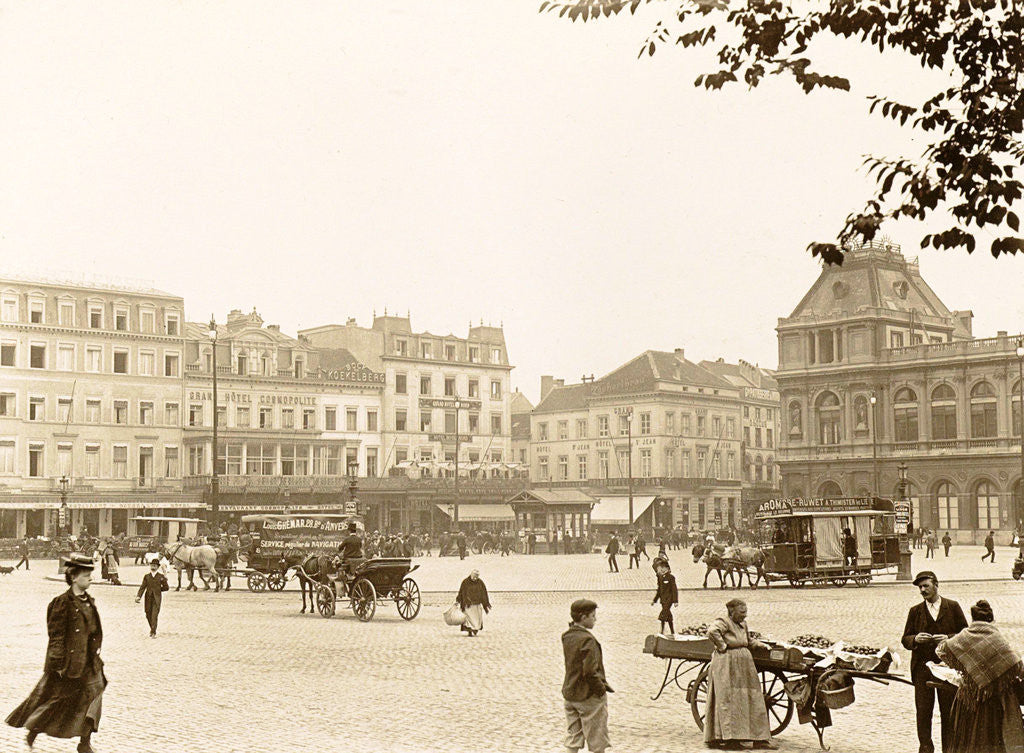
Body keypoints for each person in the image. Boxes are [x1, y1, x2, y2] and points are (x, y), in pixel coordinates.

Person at [6, 553, 106, 753]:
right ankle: (34, 727)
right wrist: (57, 664)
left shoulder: (88, 601)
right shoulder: (62, 603)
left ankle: (84, 743)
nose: (91, 579)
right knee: (57, 700)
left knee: (95, 694)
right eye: (86, 575)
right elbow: (56, 636)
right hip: (68, 664)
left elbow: (94, 630)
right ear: (74, 577)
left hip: (89, 662)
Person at [936, 599, 1024, 753]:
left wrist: (962, 666)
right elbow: (1016, 665)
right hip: (992, 701)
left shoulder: (964, 635)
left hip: (968, 699)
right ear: (991, 619)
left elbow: (942, 650)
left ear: (973, 619)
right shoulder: (997, 638)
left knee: (967, 738)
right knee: (991, 739)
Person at [902, 570, 969, 753]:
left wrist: (948, 638)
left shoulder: (952, 606)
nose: (923, 590)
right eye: (920, 587)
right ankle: (925, 748)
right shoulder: (915, 611)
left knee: (949, 712)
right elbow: (905, 639)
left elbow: (965, 634)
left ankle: (949, 749)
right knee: (923, 712)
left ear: (936, 585)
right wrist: (915, 639)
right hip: (922, 669)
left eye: (926, 586)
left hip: (948, 670)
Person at [704, 599, 776, 750]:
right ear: (732, 611)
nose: (745, 615)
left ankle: (758, 737)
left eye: (746, 612)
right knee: (729, 699)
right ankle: (730, 738)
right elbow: (712, 631)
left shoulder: (743, 624)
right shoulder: (723, 621)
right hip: (727, 663)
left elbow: (748, 640)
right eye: (742, 612)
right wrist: (723, 646)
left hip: (744, 665)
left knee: (751, 697)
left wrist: (762, 645)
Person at [561, 599, 612, 753]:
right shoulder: (588, 640)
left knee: (573, 740)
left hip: (570, 693)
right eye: (593, 616)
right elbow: (590, 671)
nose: (595, 619)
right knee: (598, 742)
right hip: (588, 696)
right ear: (583, 617)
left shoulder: (567, 636)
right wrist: (601, 690)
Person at [135, 558, 169, 637]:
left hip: (156, 599)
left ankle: (153, 631)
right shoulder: (147, 576)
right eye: (152, 565)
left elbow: (166, 587)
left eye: (155, 565)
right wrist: (138, 596)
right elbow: (142, 587)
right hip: (148, 598)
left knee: (154, 615)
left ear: (158, 567)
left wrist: (158, 590)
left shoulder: (161, 576)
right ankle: (152, 628)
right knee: (148, 614)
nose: (153, 566)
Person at [455, 569, 490, 637]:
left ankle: (475, 629)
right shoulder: (465, 582)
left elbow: (484, 592)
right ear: (471, 575)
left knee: (477, 619)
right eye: (474, 576)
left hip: (477, 604)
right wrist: (458, 600)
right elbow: (461, 592)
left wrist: (485, 602)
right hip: (468, 604)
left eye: (477, 576)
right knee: (468, 619)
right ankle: (470, 630)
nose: (475, 578)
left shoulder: (480, 582)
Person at [651, 558, 677, 635]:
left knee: (664, 613)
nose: (661, 570)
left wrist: (675, 601)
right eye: (660, 568)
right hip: (663, 599)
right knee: (668, 615)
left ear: (667, 568)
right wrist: (654, 600)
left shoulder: (671, 577)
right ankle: (672, 631)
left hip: (669, 599)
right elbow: (659, 590)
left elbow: (674, 590)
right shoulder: (660, 578)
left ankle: (662, 630)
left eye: (663, 568)